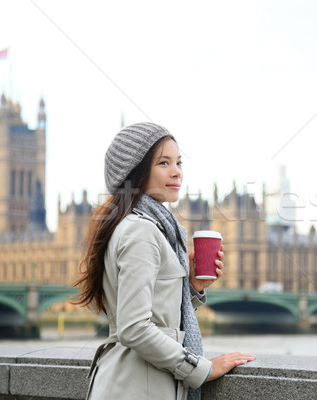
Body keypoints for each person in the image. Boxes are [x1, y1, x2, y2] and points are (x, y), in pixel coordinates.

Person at [74, 122, 255, 400]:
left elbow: (157, 316)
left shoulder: (145, 226)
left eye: (179, 162)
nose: (176, 172)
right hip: (136, 387)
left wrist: (190, 287)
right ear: (136, 171)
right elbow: (134, 328)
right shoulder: (142, 230)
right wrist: (201, 369)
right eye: (164, 163)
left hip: (135, 382)